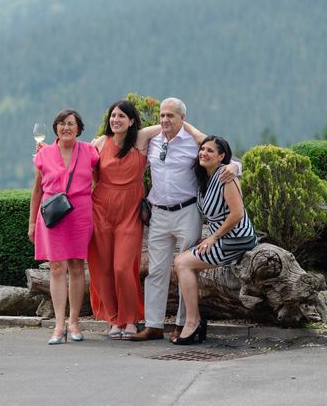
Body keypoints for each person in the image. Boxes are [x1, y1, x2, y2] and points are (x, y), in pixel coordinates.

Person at [130, 97, 239, 342]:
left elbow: (227, 158)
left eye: (171, 116)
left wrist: (237, 168)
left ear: (183, 119)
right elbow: (133, 137)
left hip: (187, 211)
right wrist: (165, 127)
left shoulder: (194, 143)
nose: (165, 119)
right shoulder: (152, 142)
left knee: (184, 268)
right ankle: (154, 325)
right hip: (158, 212)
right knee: (156, 270)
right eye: (162, 115)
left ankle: (182, 323)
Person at [172, 136, 257, 344]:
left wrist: (213, 238)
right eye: (202, 149)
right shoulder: (205, 178)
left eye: (210, 151)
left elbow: (236, 214)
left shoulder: (226, 176)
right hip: (221, 237)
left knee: (182, 263)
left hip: (237, 238)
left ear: (221, 157)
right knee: (185, 262)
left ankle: (193, 322)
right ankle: (194, 321)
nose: (204, 153)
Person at [88, 100, 161, 340]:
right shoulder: (99, 143)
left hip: (130, 212)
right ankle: (113, 319)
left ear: (131, 121)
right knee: (104, 268)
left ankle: (130, 318)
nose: (115, 119)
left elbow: (172, 123)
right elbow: (77, 165)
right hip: (101, 210)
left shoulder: (141, 139)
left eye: (121, 116)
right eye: (113, 115)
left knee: (122, 267)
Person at [28, 109, 99, 345]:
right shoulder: (44, 154)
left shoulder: (90, 151)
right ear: (55, 128)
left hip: (79, 213)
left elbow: (99, 181)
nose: (65, 127)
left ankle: (74, 322)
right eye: (61, 123)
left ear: (79, 128)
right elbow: (37, 190)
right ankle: (59, 325)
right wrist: (31, 222)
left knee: (77, 266)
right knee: (56, 267)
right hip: (52, 214)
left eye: (70, 123)